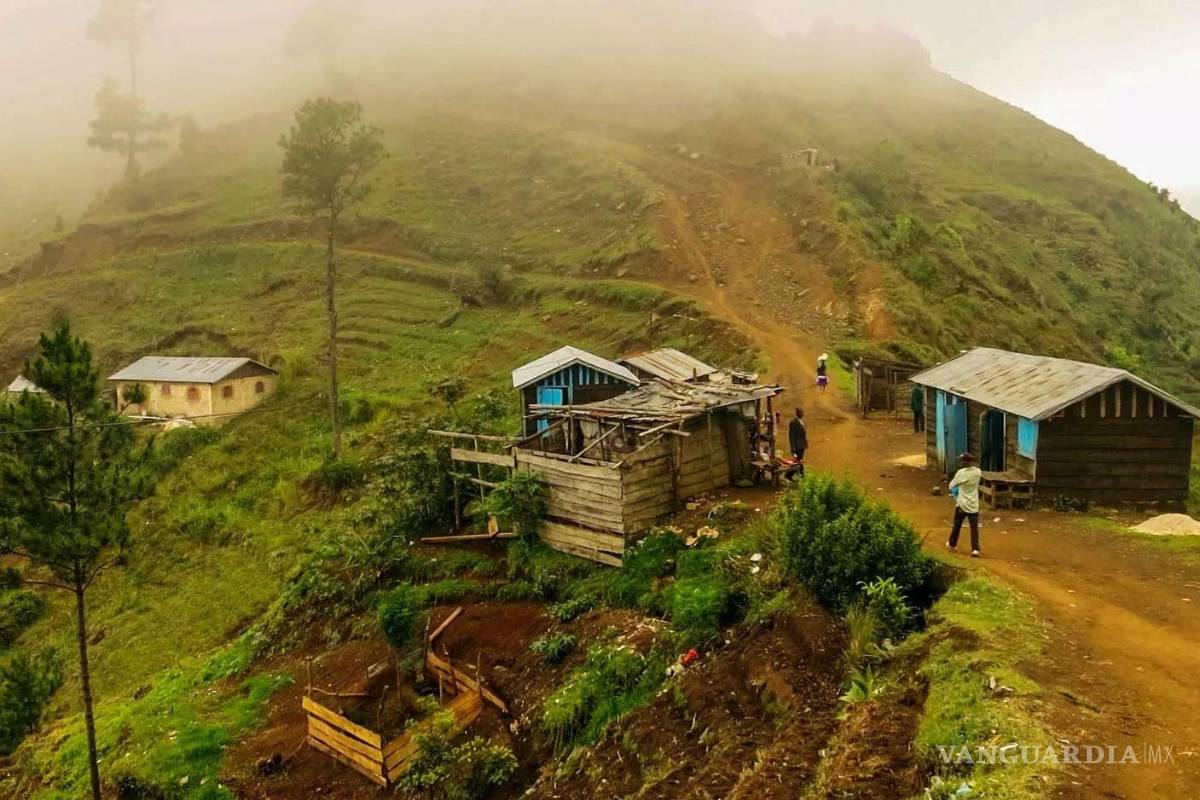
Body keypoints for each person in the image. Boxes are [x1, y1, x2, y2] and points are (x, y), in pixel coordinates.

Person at [947, 453, 982, 557]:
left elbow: (951, 485)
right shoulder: (978, 472)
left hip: (962, 504)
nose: (961, 462)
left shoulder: (960, 473)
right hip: (974, 504)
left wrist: (957, 488)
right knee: (974, 528)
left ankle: (952, 544)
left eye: (962, 461)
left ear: (965, 462)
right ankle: (975, 549)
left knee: (957, 525)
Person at [788, 407, 808, 478]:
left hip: (801, 445)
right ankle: (792, 475)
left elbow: (803, 434)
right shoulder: (793, 422)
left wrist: (805, 444)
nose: (802, 414)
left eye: (802, 412)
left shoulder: (801, 422)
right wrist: (793, 448)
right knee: (798, 461)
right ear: (797, 413)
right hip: (797, 446)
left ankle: (798, 475)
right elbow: (791, 436)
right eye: (800, 412)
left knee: (799, 461)